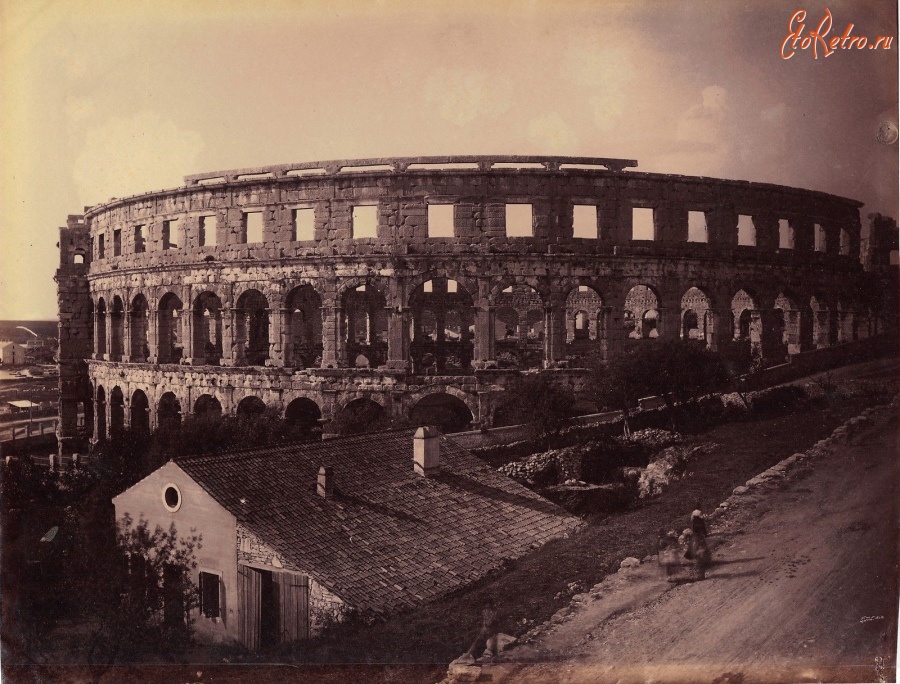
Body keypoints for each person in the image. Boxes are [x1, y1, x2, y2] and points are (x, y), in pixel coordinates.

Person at [688, 509, 712, 580]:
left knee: (698, 556)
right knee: (701, 555)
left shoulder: (693, 522)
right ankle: (701, 574)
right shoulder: (700, 522)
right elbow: (704, 531)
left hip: (695, 540)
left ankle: (699, 574)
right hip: (699, 539)